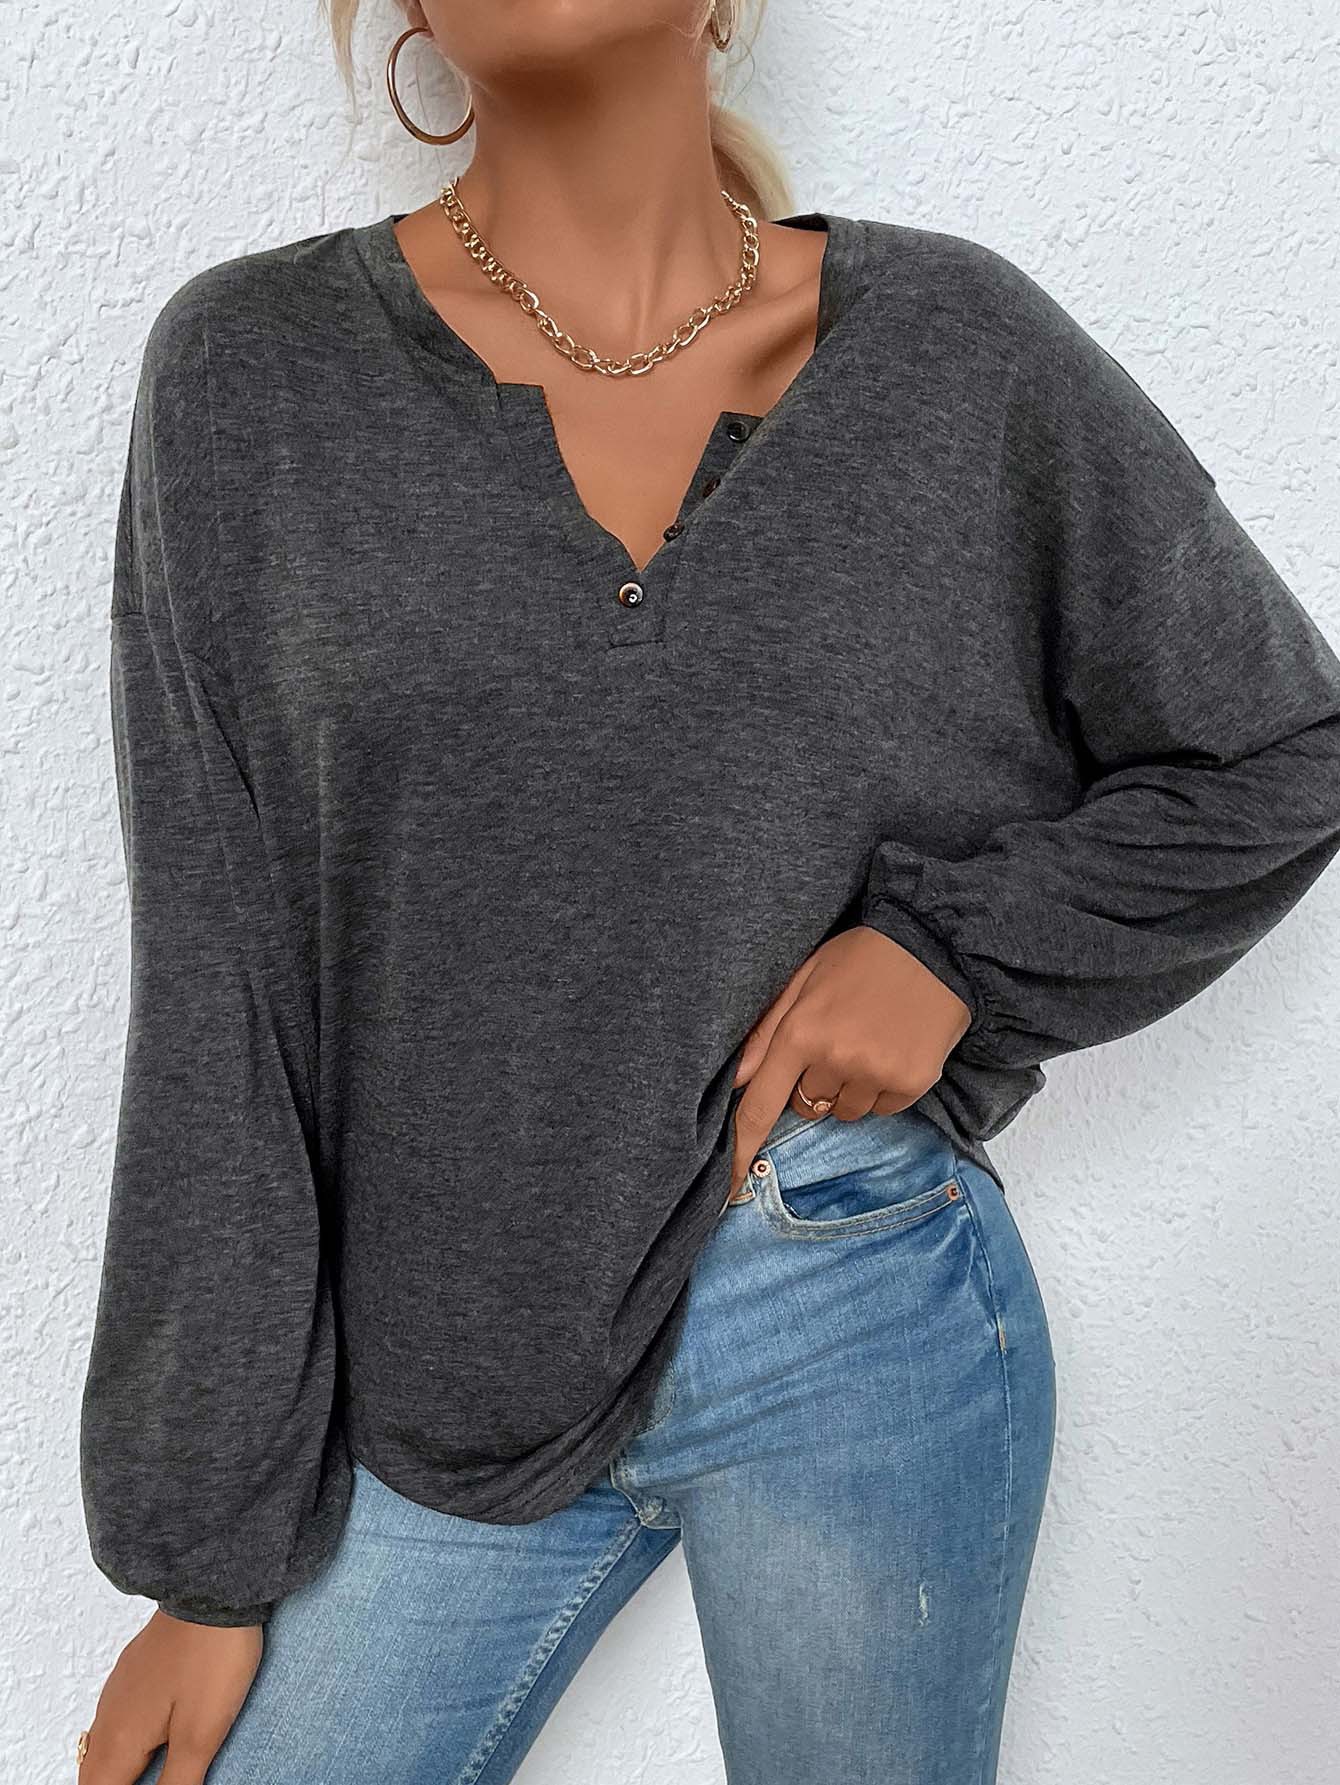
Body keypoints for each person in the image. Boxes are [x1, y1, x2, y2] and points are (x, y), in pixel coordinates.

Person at [74, 3, 1340, 1782]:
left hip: (848, 1285)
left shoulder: (960, 353)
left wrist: (959, 957)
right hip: (439, 1364)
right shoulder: (251, 374)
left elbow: (1281, 741)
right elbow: (220, 982)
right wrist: (206, 1553)